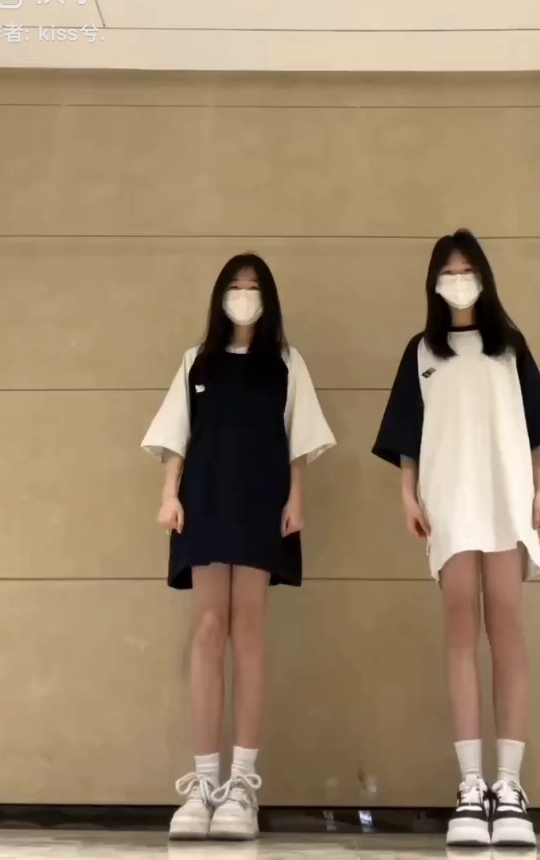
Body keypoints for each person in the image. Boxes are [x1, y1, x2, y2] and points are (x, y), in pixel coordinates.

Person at [373, 230, 540, 848]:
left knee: (506, 627)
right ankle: (470, 785)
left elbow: (536, 427)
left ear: (483, 277)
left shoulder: (510, 347)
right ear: (434, 283)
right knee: (460, 628)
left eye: (467, 270)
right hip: (450, 501)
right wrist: (408, 494)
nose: (458, 281)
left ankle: (509, 786)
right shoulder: (422, 352)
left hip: (507, 496)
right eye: (448, 272)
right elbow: (407, 433)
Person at [142, 253, 335, 841]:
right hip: (203, 500)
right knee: (208, 628)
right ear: (220, 295)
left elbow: (299, 440)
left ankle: (242, 786)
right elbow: (176, 437)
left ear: (267, 298)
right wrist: (169, 495)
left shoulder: (286, 363)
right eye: (235, 285)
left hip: (261, 501)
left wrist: (295, 499)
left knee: (248, 627)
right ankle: (203, 784)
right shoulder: (196, 361)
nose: (243, 295)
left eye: (253, 287)